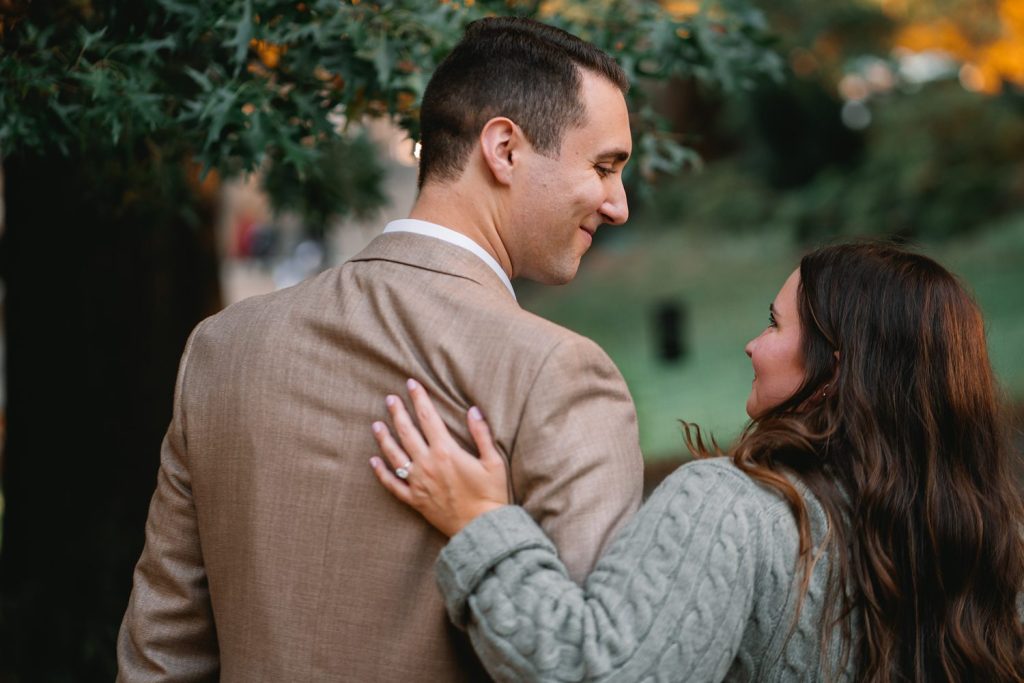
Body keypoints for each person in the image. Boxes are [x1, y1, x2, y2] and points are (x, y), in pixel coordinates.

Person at [117, 17, 644, 681]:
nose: (619, 203)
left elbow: (160, 657)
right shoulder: (558, 375)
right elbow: (600, 666)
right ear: (504, 149)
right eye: (603, 166)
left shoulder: (223, 348)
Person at [371, 242, 1024, 682]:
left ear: (835, 367)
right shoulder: (990, 536)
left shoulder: (734, 509)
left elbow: (599, 670)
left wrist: (481, 522)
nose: (750, 344)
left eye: (773, 324)